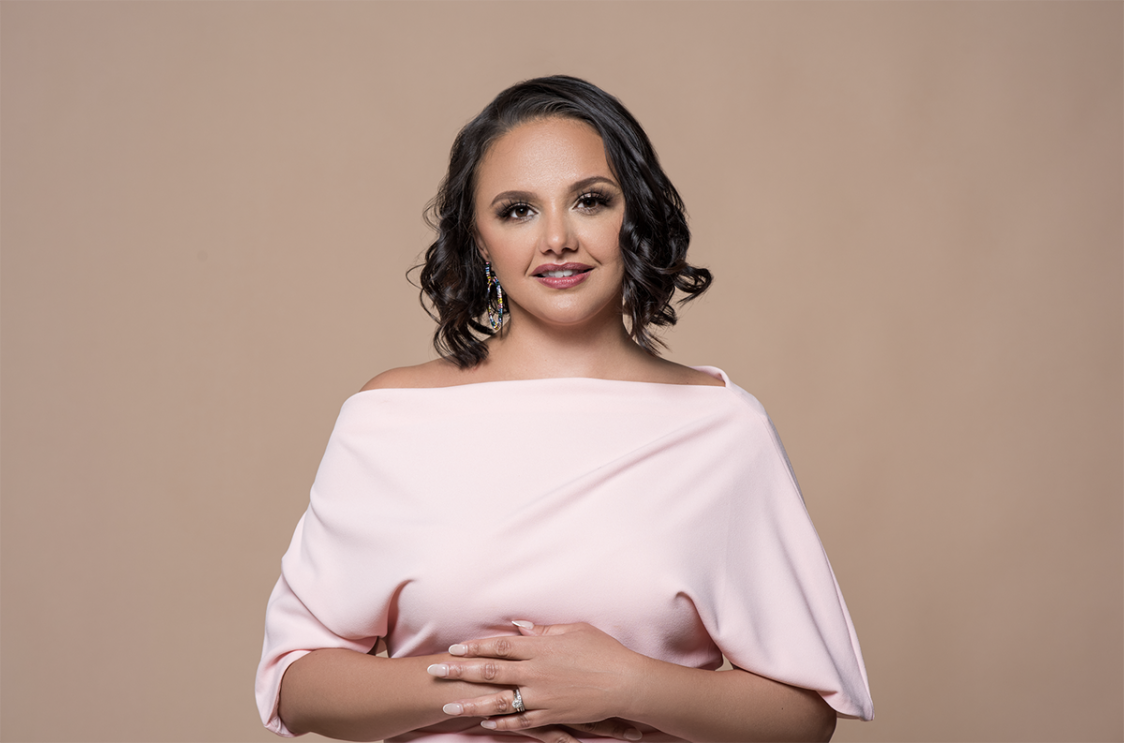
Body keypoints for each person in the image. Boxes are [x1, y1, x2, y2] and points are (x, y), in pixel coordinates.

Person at [255, 75, 873, 743]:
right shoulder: (389, 419)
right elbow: (296, 681)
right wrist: (503, 687)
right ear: (479, 240)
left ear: (634, 215)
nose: (557, 238)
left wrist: (626, 684)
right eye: (517, 209)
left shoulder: (724, 429)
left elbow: (804, 716)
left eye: (589, 201)